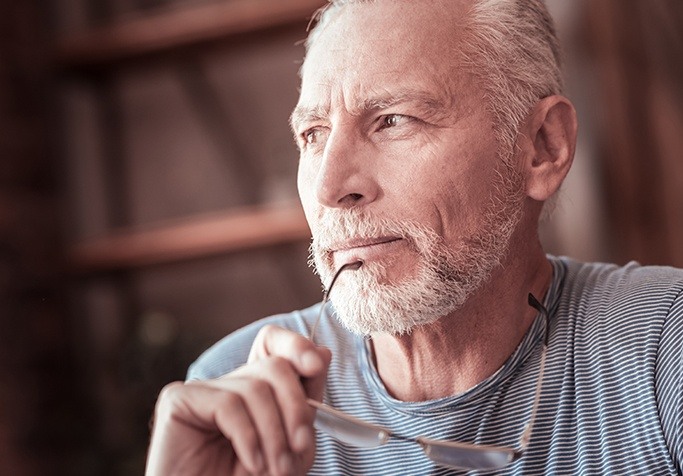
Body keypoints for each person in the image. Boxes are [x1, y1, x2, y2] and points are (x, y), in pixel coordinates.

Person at [145, 0, 683, 474]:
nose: (332, 188)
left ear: (542, 147)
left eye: (393, 120)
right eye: (313, 135)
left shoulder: (663, 344)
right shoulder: (232, 394)